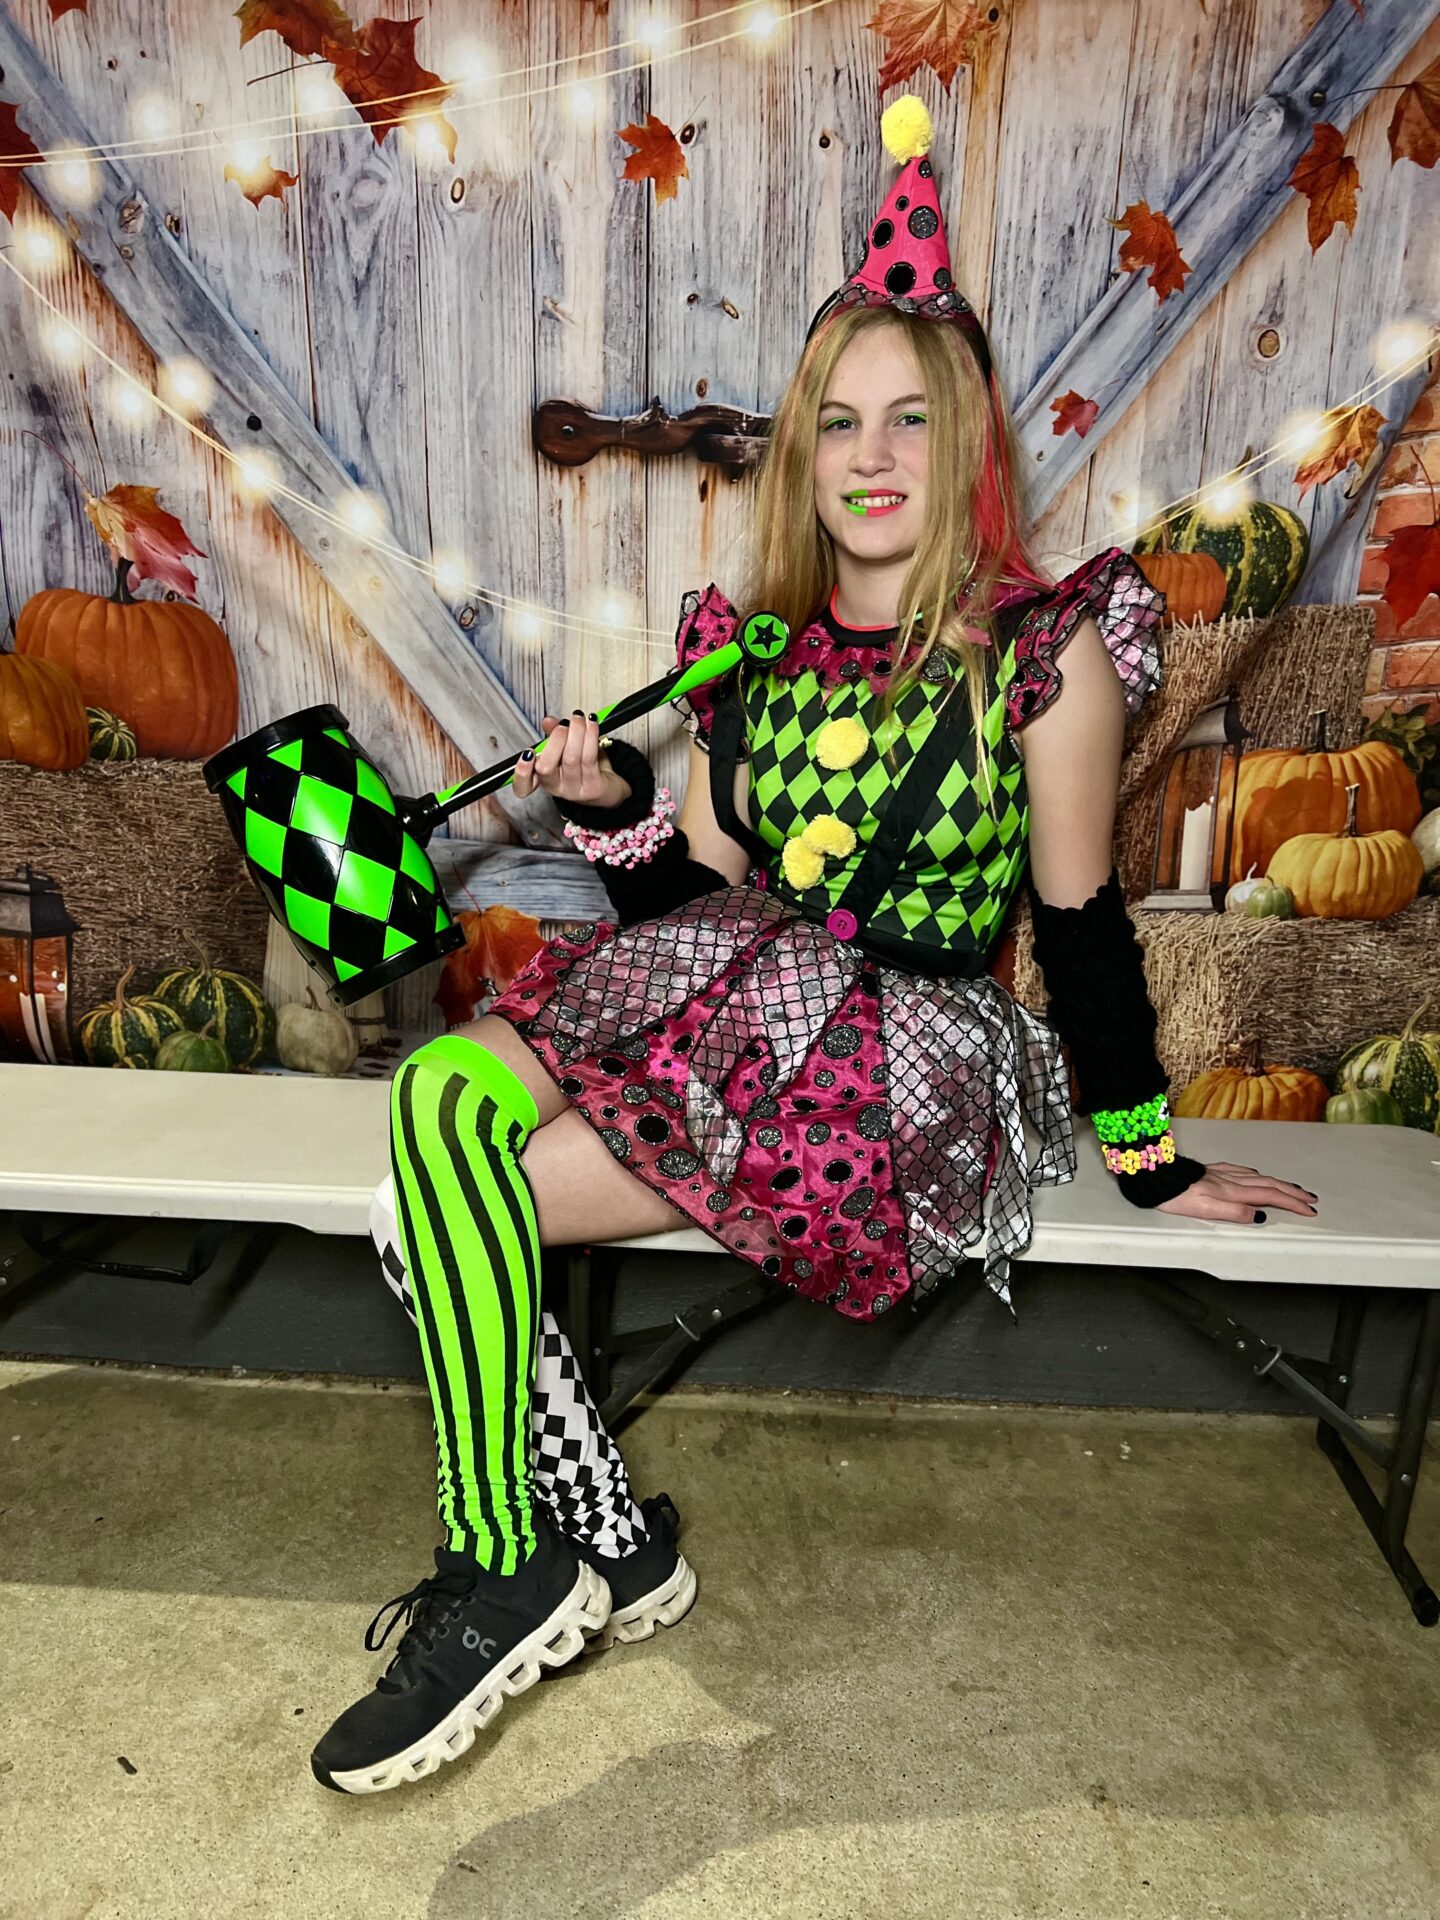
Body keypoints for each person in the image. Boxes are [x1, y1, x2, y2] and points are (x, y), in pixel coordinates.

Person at [311, 96, 1320, 1797]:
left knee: (438, 1219)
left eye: (912, 418)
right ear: (802, 451)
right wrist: (611, 805)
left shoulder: (1042, 657)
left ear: (967, 440)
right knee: (435, 1113)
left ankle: (578, 1549)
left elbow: (1080, 926)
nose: (872, 454)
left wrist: (1150, 1161)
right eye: (840, 420)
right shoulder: (752, 651)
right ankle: (545, 1555)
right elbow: (691, 915)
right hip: (738, 1004)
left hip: (905, 1059)